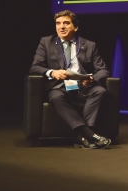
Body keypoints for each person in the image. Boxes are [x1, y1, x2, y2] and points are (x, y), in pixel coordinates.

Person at [29, 10, 112, 149]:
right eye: (58, 23)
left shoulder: (89, 45)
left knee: (100, 91)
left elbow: (103, 70)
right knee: (56, 97)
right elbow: (35, 67)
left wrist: (92, 78)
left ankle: (83, 137)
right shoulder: (46, 42)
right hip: (59, 86)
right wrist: (52, 72)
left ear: (75, 27)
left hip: (83, 86)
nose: (61, 27)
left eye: (66, 23)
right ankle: (89, 134)